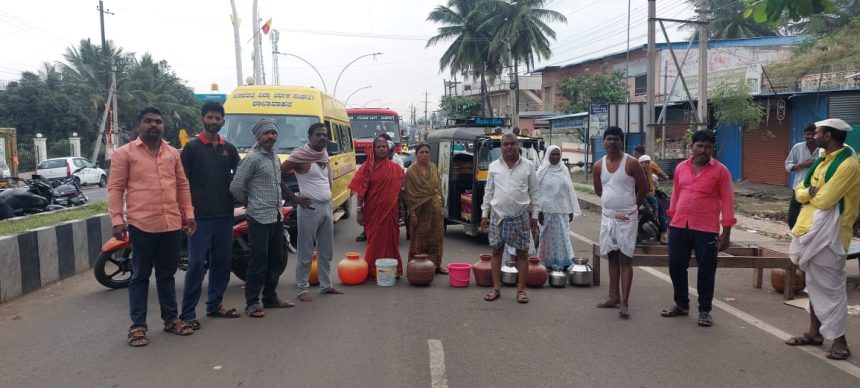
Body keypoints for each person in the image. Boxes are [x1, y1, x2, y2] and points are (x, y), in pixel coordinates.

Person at [108, 106, 197, 347]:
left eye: (158, 121)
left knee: (167, 275)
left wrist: (188, 214)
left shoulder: (172, 154)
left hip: (170, 224)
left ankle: (171, 320)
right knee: (140, 276)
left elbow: (182, 185)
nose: (154, 125)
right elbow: (115, 188)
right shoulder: (124, 153)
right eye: (148, 121)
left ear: (163, 125)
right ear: (139, 125)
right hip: (141, 225)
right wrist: (117, 220)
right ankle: (138, 326)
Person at [784, 118, 859, 361]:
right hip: (810, 229)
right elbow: (800, 189)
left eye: (817, 132)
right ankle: (814, 333)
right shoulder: (822, 160)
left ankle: (840, 342)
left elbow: (826, 201)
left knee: (831, 288)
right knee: (813, 284)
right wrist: (808, 193)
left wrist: (807, 195)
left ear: (828, 136)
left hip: (831, 234)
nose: (813, 136)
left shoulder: (848, 164)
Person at [660, 130, 736, 327]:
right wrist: (670, 223)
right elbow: (676, 194)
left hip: (706, 228)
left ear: (712, 149)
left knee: (706, 271)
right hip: (679, 224)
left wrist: (726, 232)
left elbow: (728, 201)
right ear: (692, 147)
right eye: (699, 146)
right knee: (676, 266)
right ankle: (681, 304)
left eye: (708, 147)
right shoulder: (680, 168)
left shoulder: (721, 171)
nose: (703, 150)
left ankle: (704, 311)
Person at [179, 102, 242, 327]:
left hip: (225, 215)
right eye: (210, 117)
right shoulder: (192, 148)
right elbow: (182, 182)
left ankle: (215, 304)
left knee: (222, 262)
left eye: (217, 118)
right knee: (196, 265)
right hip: (199, 218)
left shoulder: (230, 149)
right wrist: (185, 213)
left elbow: (241, 177)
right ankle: (187, 314)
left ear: (223, 121)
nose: (214, 121)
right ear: (202, 119)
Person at [230, 119, 295, 318]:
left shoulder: (274, 158)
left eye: (273, 133)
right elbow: (236, 187)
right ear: (259, 136)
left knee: (276, 260)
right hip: (258, 217)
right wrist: (248, 201)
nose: (271, 137)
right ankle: (251, 303)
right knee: (259, 261)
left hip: (275, 216)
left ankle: (270, 297)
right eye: (266, 133)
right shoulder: (252, 159)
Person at [280, 123, 344, 302]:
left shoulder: (323, 155)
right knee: (306, 250)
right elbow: (277, 174)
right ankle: (302, 288)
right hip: (309, 208)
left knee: (326, 250)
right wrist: (294, 197)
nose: (322, 137)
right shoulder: (300, 156)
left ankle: (326, 285)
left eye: (324, 134)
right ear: (309, 137)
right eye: (318, 134)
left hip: (326, 206)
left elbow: (326, 179)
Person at [593, 127, 647, 319]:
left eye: (616, 139)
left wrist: (632, 208)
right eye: (609, 139)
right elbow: (599, 190)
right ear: (604, 142)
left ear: (621, 142)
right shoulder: (598, 165)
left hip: (627, 218)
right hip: (608, 218)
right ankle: (613, 297)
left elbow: (644, 188)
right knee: (612, 257)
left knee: (625, 259)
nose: (612, 142)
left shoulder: (632, 163)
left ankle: (624, 302)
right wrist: (612, 204)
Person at [480, 133, 540, 304]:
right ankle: (496, 288)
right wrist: (484, 214)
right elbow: (488, 192)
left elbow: (535, 192)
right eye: (506, 144)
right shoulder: (493, 166)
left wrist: (535, 215)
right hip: (497, 215)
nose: (509, 147)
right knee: (496, 251)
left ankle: (521, 290)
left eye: (512, 143)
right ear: (501, 146)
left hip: (521, 215)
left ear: (517, 145)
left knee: (522, 253)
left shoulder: (528, 166)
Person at [349, 136, 405, 279]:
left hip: (391, 211)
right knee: (374, 241)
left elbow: (400, 191)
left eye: (384, 147)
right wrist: (359, 210)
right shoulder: (367, 167)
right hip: (373, 211)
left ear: (388, 149)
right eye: (378, 147)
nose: (382, 149)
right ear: (373, 149)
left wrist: (402, 209)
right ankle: (372, 271)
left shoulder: (395, 168)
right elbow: (360, 191)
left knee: (392, 241)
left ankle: (392, 270)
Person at [536, 145, 581, 270]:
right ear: (547, 155)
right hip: (546, 211)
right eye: (553, 154)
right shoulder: (542, 170)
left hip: (562, 210)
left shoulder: (564, 170)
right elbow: (535, 191)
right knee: (546, 239)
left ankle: (564, 262)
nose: (556, 157)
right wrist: (537, 210)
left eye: (558, 154)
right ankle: (546, 263)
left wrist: (570, 209)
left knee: (563, 237)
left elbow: (569, 189)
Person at [404, 143, 447, 274]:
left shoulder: (433, 167)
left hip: (435, 207)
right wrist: (412, 213)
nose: (424, 155)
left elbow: (438, 188)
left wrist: (441, 204)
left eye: (427, 152)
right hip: (419, 210)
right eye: (421, 152)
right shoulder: (411, 171)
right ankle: (416, 267)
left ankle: (436, 265)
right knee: (420, 239)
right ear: (416, 154)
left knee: (436, 237)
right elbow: (409, 194)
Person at [784, 123, 818, 229]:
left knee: (813, 218)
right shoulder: (797, 147)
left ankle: (808, 236)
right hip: (799, 187)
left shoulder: (822, 149)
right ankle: (795, 235)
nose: (810, 136)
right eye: (808, 134)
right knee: (792, 218)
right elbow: (787, 165)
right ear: (804, 135)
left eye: (813, 134)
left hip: (815, 189)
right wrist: (801, 165)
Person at [633, 145, 669, 243]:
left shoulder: (632, 164)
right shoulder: (651, 163)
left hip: (635, 193)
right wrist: (665, 177)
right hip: (649, 193)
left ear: (636, 153)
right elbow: (663, 175)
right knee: (660, 212)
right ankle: (663, 235)